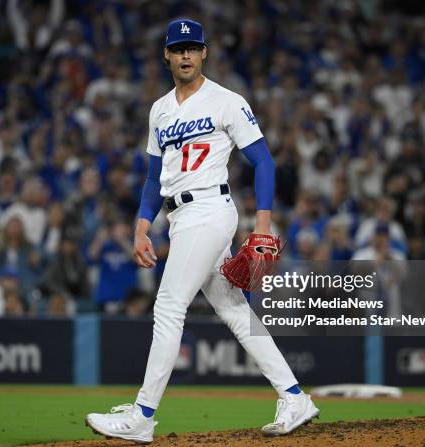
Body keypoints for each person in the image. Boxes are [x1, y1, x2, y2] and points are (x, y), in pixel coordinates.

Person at [85, 19, 319, 444]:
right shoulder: (159, 109)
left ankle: (142, 415)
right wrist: (141, 227)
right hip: (180, 218)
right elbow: (154, 177)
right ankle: (294, 396)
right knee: (232, 309)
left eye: (193, 47)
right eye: (179, 48)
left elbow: (264, 162)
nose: (186, 55)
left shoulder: (226, 101)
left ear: (205, 53)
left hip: (210, 209)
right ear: (167, 55)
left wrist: (262, 223)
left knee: (169, 306)